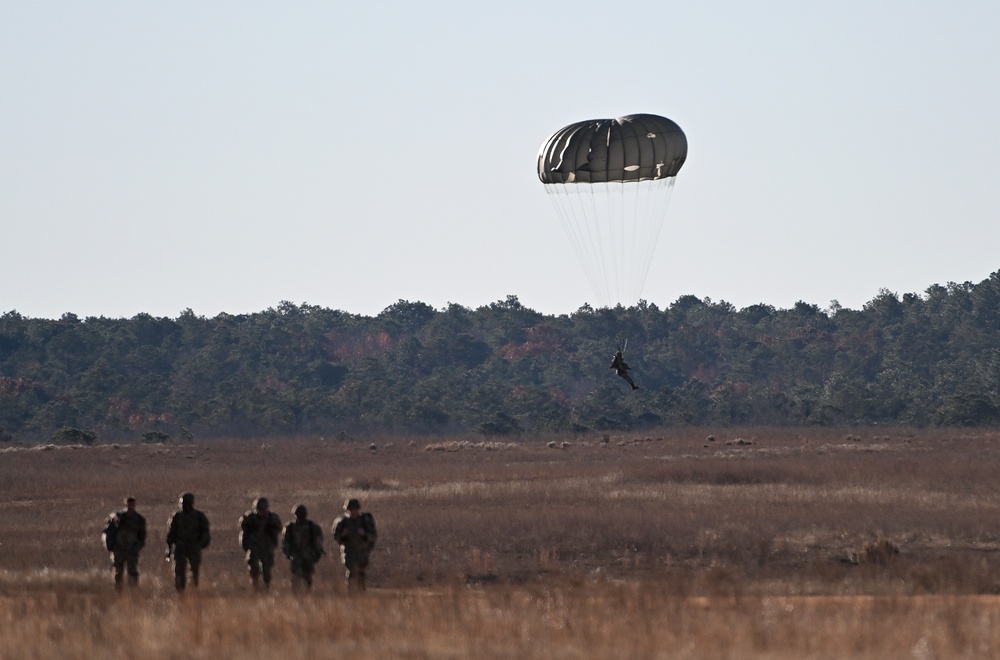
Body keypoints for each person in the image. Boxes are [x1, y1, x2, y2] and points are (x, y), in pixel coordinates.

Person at [165, 492, 211, 592]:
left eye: (186, 503)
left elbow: (205, 532)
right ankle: (180, 591)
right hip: (180, 546)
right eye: (182, 503)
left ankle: (193, 590)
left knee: (194, 570)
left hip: (194, 546)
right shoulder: (176, 517)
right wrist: (169, 547)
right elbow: (171, 533)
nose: (184, 506)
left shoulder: (199, 517)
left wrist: (200, 544)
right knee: (179, 569)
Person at [332, 498, 377, 593]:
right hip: (348, 550)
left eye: (354, 509)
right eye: (350, 509)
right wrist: (343, 535)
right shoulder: (342, 522)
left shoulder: (365, 521)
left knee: (360, 571)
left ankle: (361, 592)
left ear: (358, 509)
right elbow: (336, 537)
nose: (352, 511)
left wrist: (364, 534)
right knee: (352, 570)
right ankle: (351, 592)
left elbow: (373, 536)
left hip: (362, 551)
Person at [102, 496, 147, 590]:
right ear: (126, 505)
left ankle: (134, 593)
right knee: (118, 572)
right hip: (119, 549)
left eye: (132, 505)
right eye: (129, 504)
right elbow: (109, 526)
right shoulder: (118, 516)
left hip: (132, 550)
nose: (131, 507)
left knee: (133, 572)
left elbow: (142, 535)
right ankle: (118, 593)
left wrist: (138, 546)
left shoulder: (139, 519)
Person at [239, 496, 282, 592]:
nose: (261, 512)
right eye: (259, 510)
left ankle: (266, 587)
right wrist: (246, 545)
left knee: (266, 569)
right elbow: (244, 530)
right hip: (253, 545)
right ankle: (255, 586)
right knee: (253, 568)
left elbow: (278, 528)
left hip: (266, 546)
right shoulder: (249, 517)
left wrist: (272, 537)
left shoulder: (272, 518)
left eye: (262, 510)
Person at [281, 504, 325, 592]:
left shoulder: (312, 527)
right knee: (296, 579)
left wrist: (316, 555)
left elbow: (318, 543)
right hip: (296, 556)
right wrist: (289, 554)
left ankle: (307, 595)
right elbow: (285, 543)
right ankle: (296, 597)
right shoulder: (290, 527)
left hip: (308, 556)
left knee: (308, 578)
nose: (299, 517)